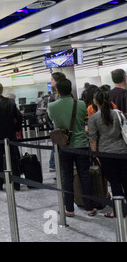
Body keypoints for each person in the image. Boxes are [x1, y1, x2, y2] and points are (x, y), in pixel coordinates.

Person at [47, 78, 97, 217]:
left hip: (64, 145)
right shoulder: (80, 104)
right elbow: (84, 120)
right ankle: (89, 207)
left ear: (57, 91)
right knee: (84, 175)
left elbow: (52, 120)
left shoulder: (52, 106)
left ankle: (69, 208)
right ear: (71, 89)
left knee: (66, 177)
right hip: (81, 143)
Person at [88, 88, 127, 218]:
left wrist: (95, 155)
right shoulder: (117, 113)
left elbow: (93, 139)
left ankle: (118, 211)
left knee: (114, 182)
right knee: (125, 180)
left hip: (106, 153)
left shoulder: (94, 118)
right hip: (122, 151)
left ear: (95, 101)